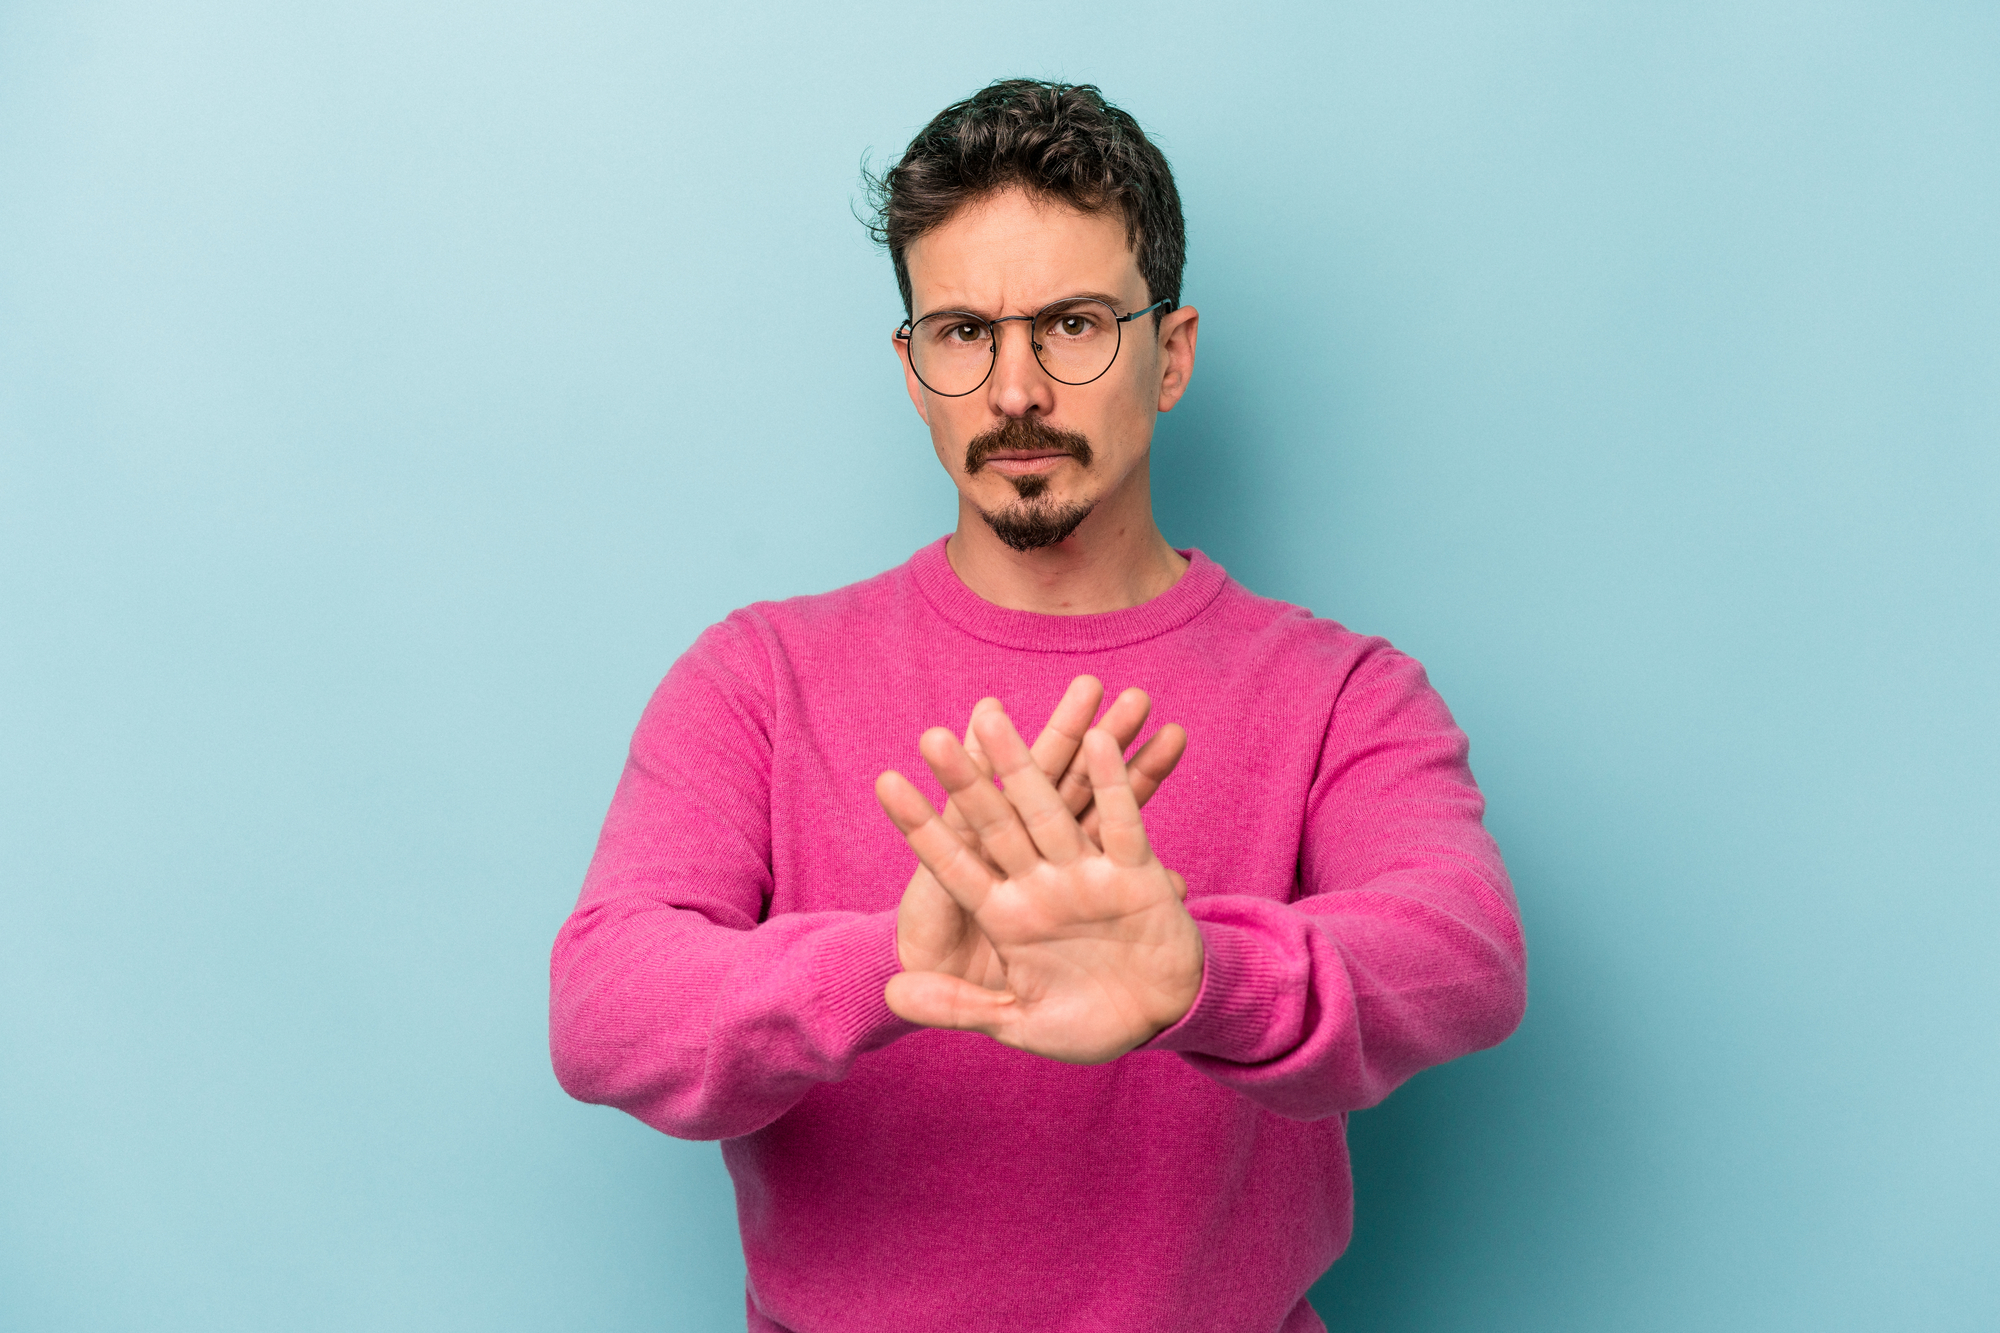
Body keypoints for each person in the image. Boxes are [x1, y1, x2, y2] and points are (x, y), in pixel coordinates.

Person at [549, 78, 1527, 1333]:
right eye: (963, 333)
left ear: (1167, 355)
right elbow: (605, 1007)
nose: (1013, 389)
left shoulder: (1340, 691)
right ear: (913, 370)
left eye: (1071, 325)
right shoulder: (758, 676)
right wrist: (886, 971)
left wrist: (1206, 980)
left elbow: (1462, 949)